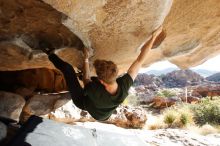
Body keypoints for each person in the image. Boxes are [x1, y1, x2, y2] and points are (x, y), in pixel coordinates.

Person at [41, 26, 163, 121]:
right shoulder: (123, 86)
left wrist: (86, 58)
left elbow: (86, 78)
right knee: (88, 79)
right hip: (104, 114)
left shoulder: (95, 90)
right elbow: (140, 60)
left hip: (83, 103)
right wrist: (153, 37)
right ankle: (53, 56)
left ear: (101, 81)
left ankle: (50, 54)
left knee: (68, 70)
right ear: (116, 74)